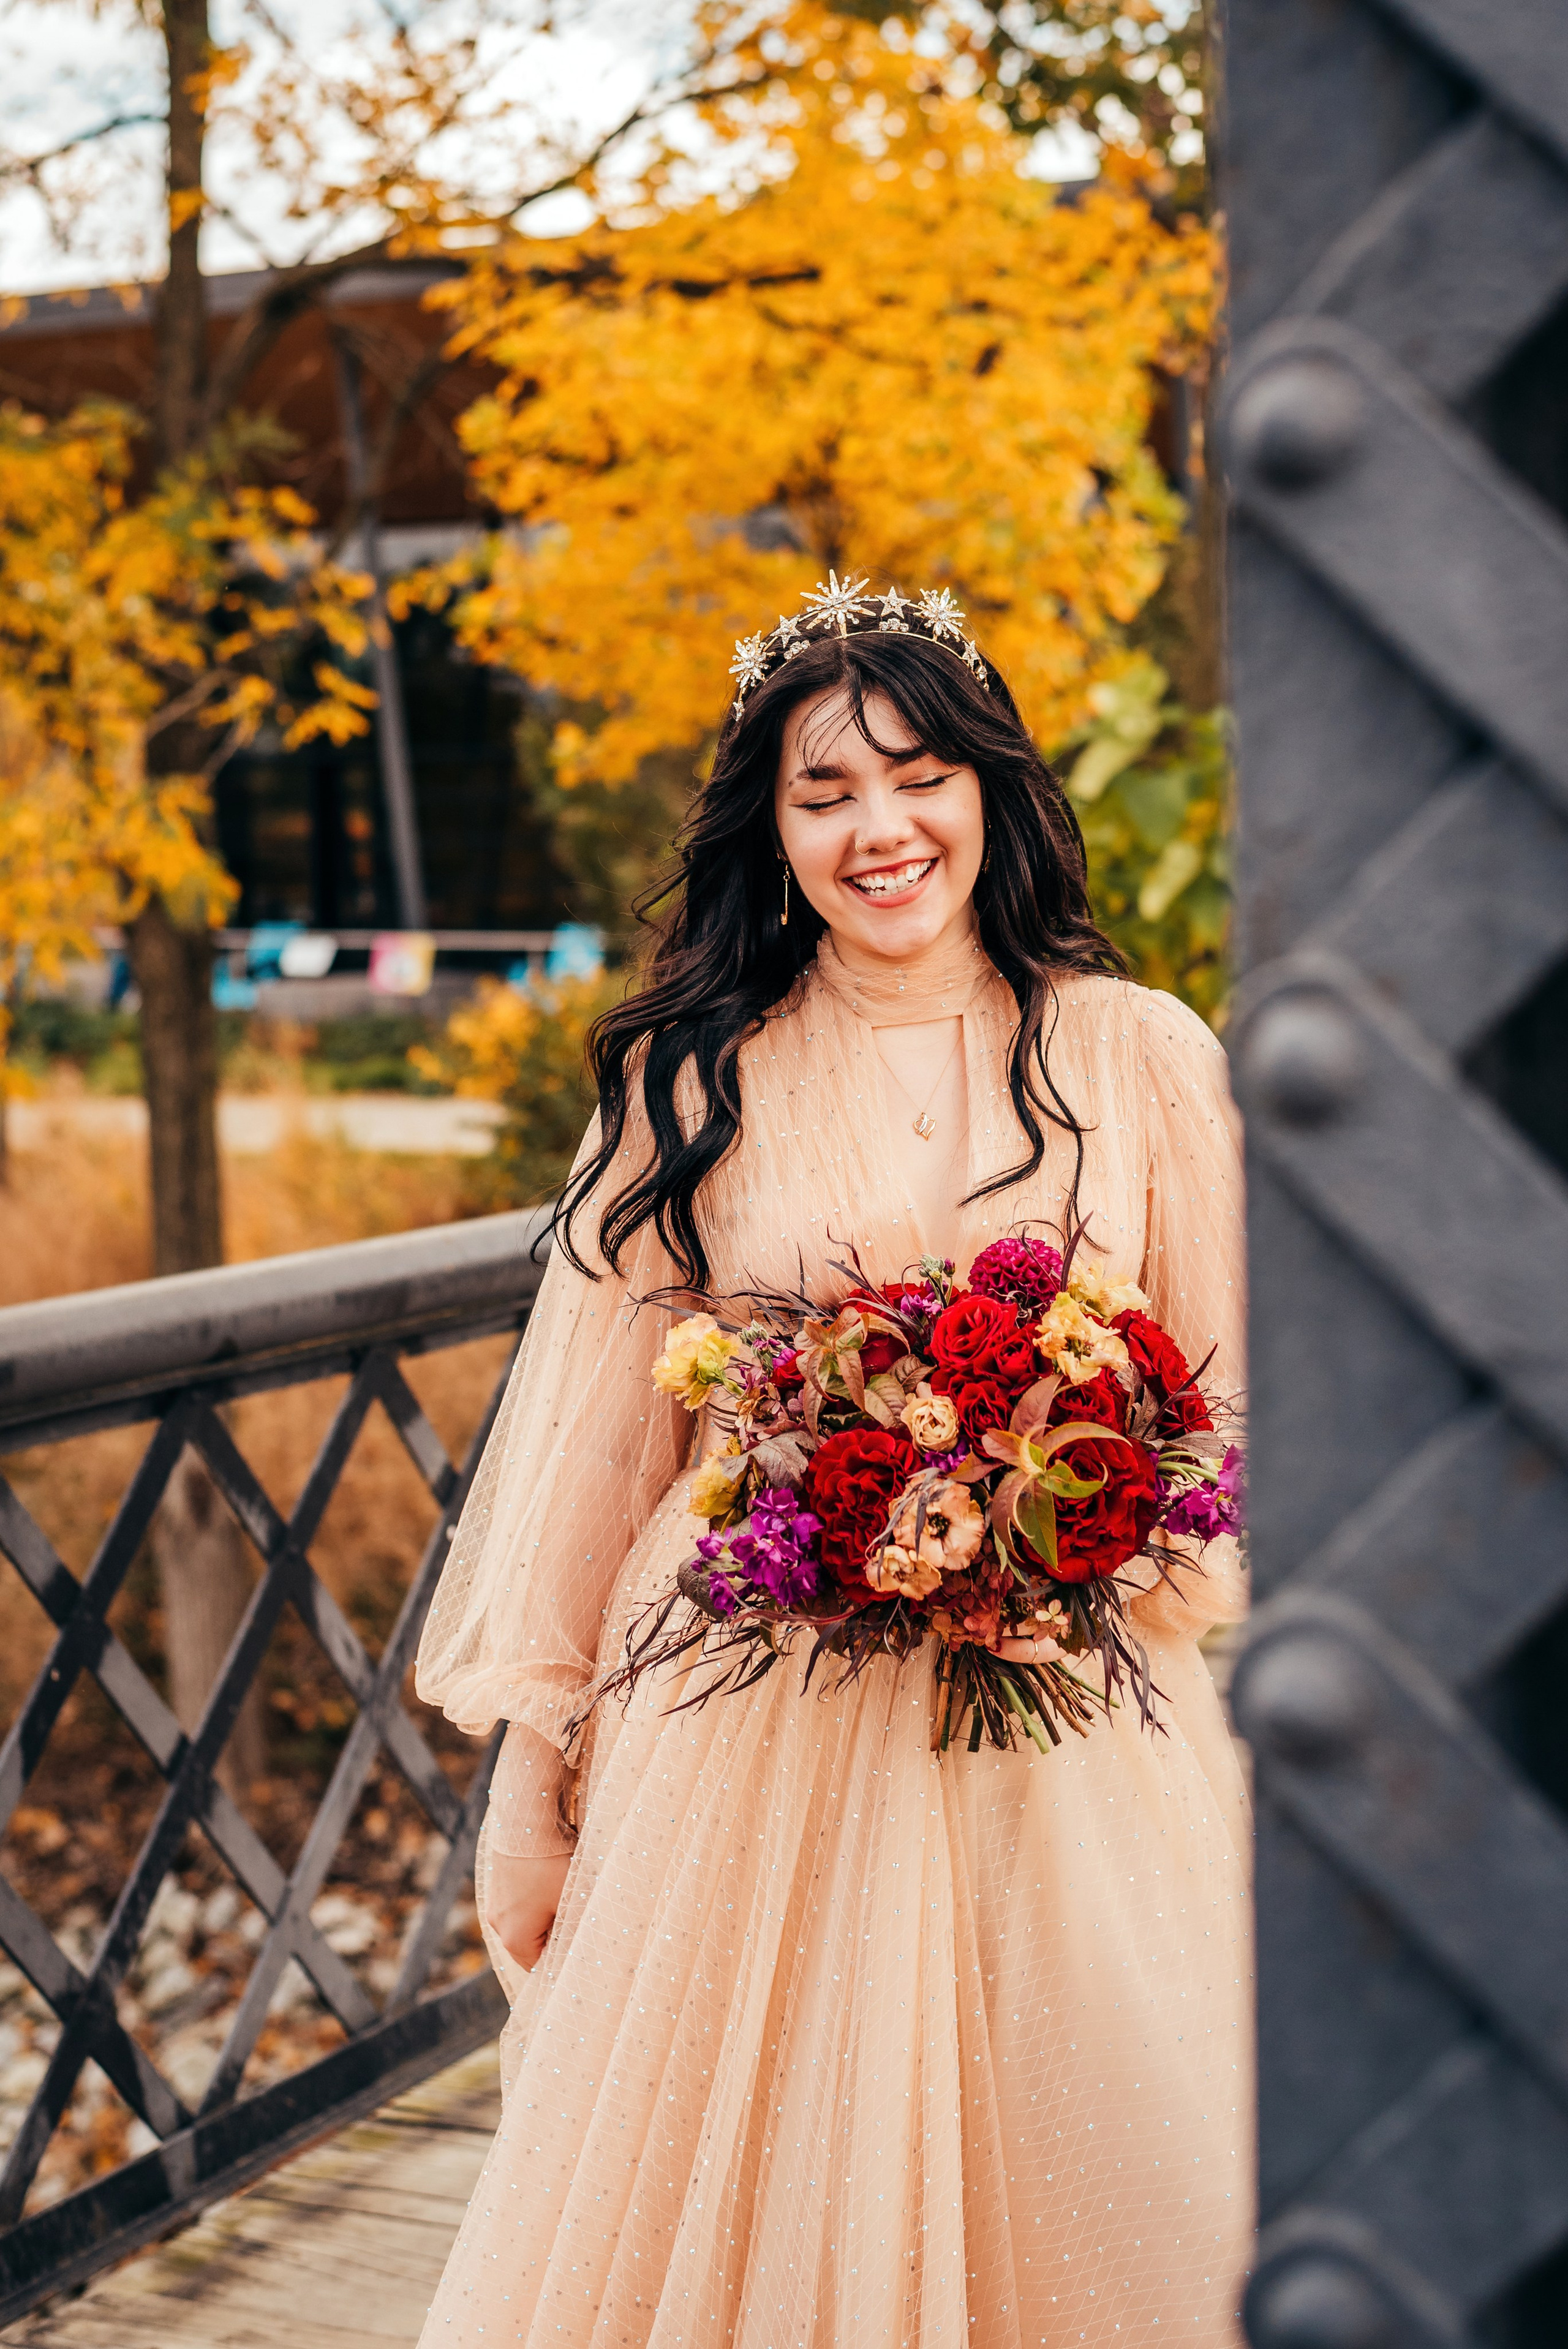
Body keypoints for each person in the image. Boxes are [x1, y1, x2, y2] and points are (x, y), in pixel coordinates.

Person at [415, 579, 1251, 2347]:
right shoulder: (688, 1076)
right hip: (743, 1739)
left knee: (1101, 2176)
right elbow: (600, 1449)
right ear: (770, 828)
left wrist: (1074, 1548)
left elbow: (1228, 1414)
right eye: (824, 791)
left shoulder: (1141, 1054)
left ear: (991, 788)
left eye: (920, 773)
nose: (881, 828)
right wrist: (528, 1778)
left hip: (1068, 1737)